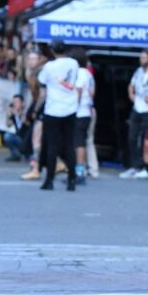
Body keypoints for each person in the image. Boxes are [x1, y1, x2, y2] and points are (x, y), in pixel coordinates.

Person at [36, 39, 78, 192]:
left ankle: (49, 180)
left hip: (53, 108)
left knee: (52, 146)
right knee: (69, 144)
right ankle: (71, 179)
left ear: (53, 51)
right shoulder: (73, 64)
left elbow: (41, 81)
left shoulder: (49, 66)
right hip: (71, 108)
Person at [122, 50, 148, 179]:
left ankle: (147, 167)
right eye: (141, 57)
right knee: (132, 138)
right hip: (137, 108)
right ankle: (135, 166)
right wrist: (130, 94)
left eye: (144, 57)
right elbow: (131, 85)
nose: (141, 60)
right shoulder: (138, 71)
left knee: (147, 141)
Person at [73, 50, 95, 184]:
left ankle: (79, 172)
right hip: (87, 110)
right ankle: (79, 170)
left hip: (79, 112)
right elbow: (92, 92)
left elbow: (78, 92)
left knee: (78, 143)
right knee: (81, 142)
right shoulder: (88, 74)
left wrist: (72, 108)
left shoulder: (80, 73)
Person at [3, 94, 32, 162]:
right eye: (13, 102)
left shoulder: (26, 111)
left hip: (28, 141)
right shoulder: (14, 113)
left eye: (17, 102)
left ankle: (28, 154)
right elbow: (8, 125)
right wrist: (9, 115)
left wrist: (19, 115)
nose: (14, 104)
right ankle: (15, 155)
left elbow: (28, 124)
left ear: (22, 103)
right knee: (7, 136)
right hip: (20, 139)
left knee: (30, 158)